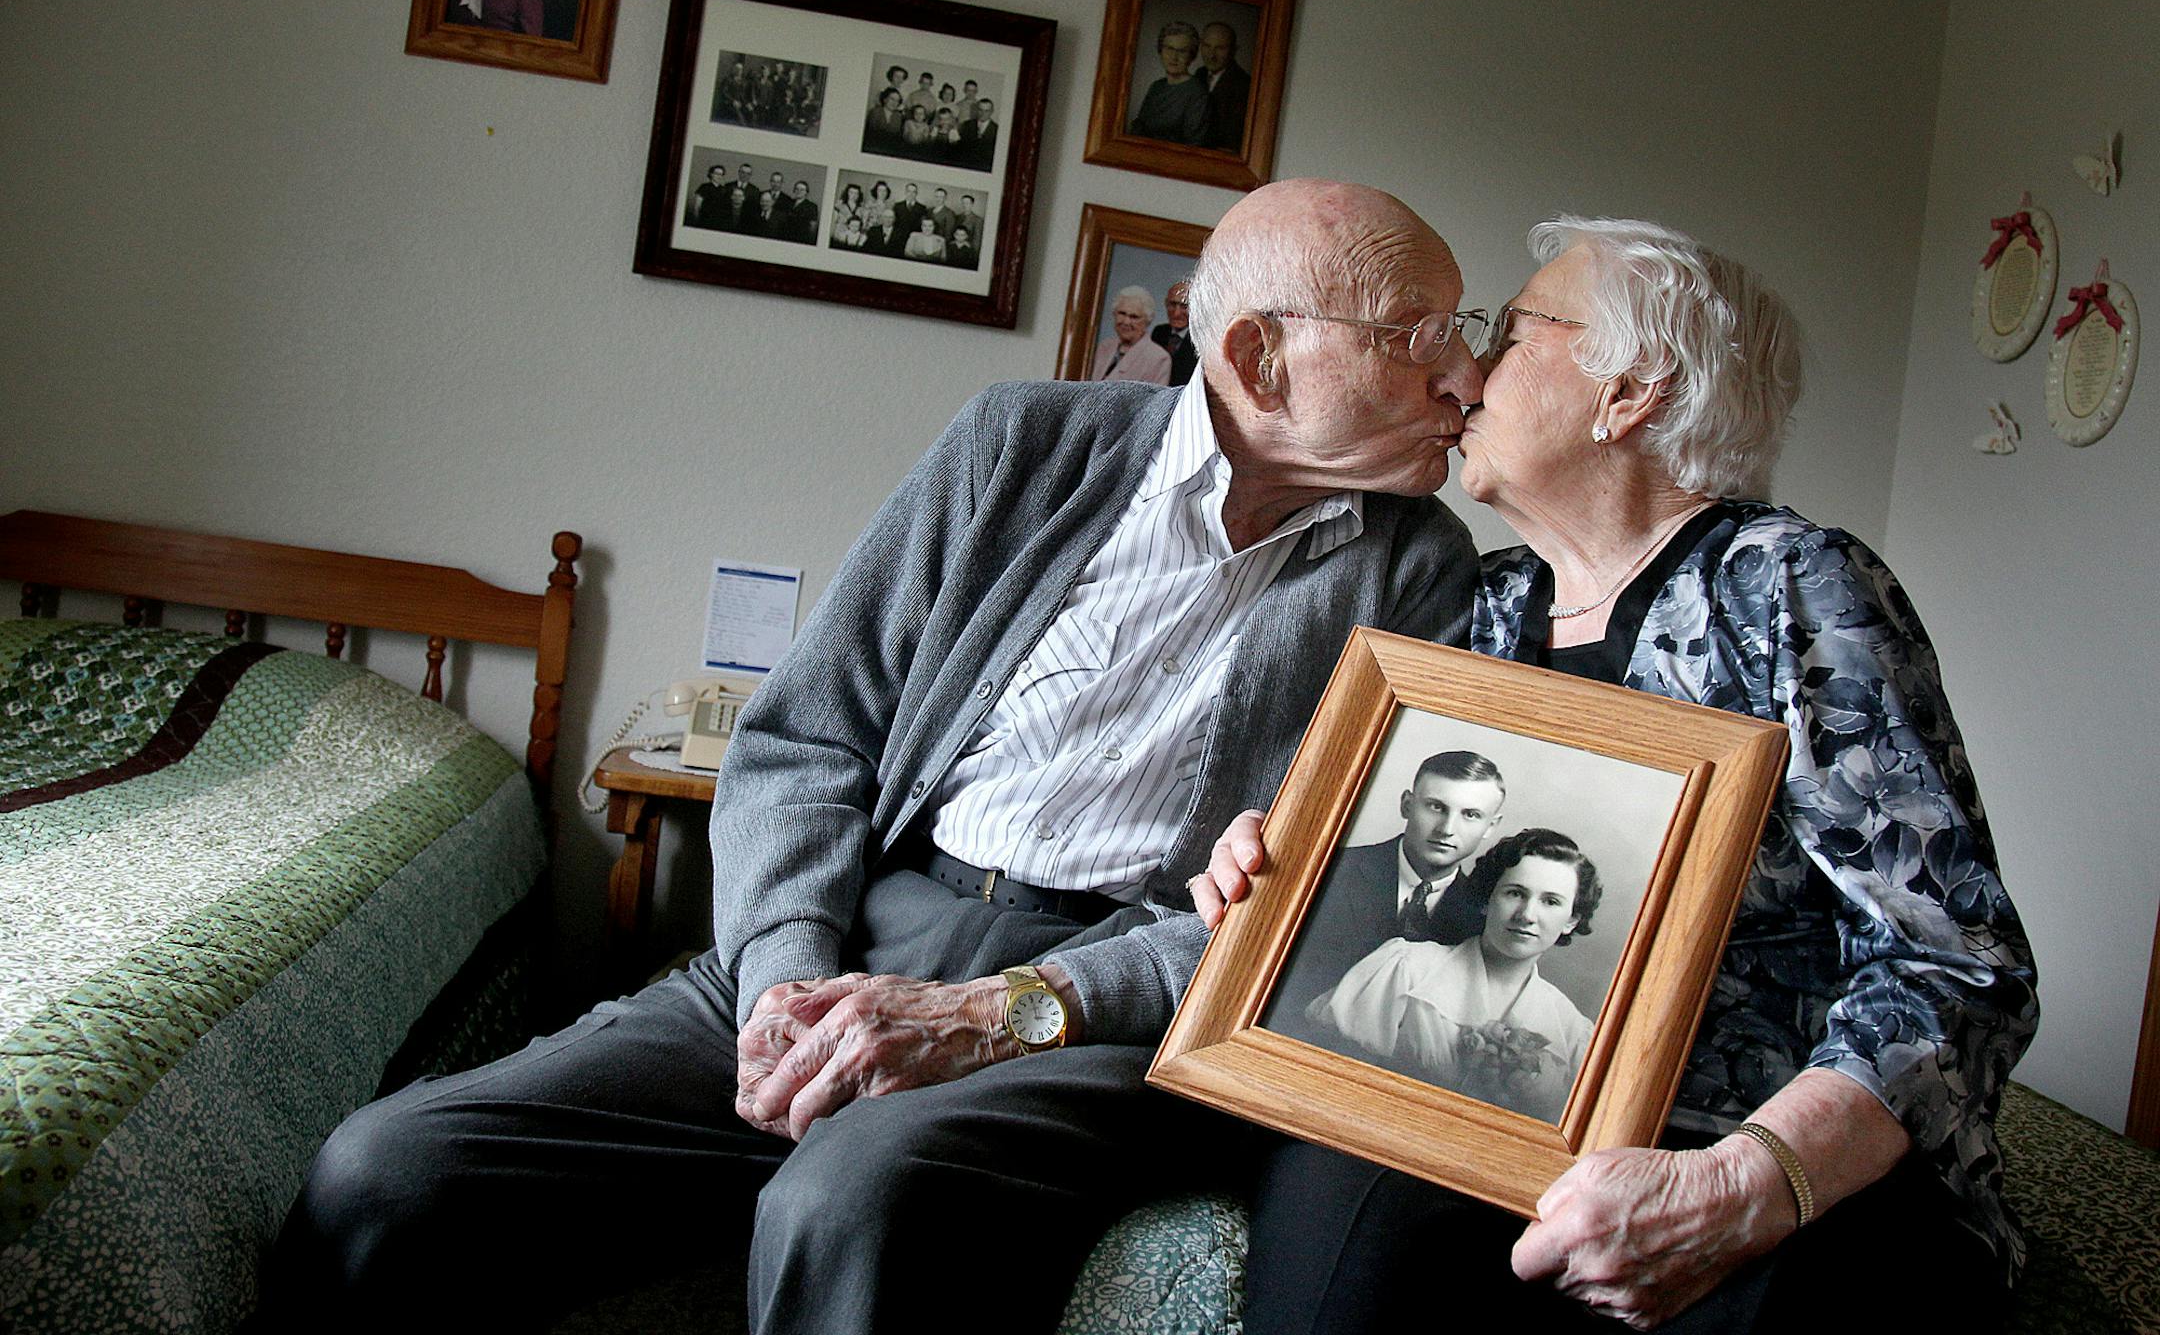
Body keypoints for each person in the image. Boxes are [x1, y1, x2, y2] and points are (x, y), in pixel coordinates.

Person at [269, 178, 1490, 1335]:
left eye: (1465, 331)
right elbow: (806, 739)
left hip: (1110, 1003)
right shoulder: (1026, 443)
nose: (1465, 373)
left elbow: (1315, 906)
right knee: (388, 1172)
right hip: (865, 927)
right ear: (1257, 357)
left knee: (853, 1190)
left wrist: (1001, 1012)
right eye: (1417, 333)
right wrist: (786, 982)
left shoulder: (1423, 573)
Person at [1194, 215, 2039, 1333]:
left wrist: (1746, 1182)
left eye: (1511, 329)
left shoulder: (1792, 587)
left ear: (1630, 390)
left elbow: (1958, 964)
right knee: (1340, 1237)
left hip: (1750, 1135)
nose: (1468, 369)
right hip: (1493, 1108)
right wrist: (1278, 873)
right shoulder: (1485, 604)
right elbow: (1421, 882)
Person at [1307, 829, 1601, 1122]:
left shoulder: (1574, 1034)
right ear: (1487, 899)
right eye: (1515, 893)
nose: (1527, 914)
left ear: (1571, 920)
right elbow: (1323, 1077)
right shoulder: (1406, 968)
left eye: (1550, 902)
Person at [1264, 749, 1507, 1038]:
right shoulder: (1329, 871)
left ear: (1491, 826)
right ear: (1406, 804)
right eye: (1435, 807)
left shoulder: (1483, 921)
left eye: (1470, 814)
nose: (1447, 829)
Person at [1129, 21, 1209, 145]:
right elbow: (1139, 128)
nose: (1174, 57)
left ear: (1192, 56)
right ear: (1160, 51)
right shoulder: (1156, 87)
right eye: (1169, 49)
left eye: (1182, 51)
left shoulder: (1198, 93)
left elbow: (1194, 144)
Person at [1090, 286, 1175, 383]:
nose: (1126, 322)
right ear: (1114, 314)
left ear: (1147, 321)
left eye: (1134, 317)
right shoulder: (1104, 347)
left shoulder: (1159, 359)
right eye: (1122, 313)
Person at [1198, 21, 1253, 151]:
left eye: (1220, 48)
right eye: (1207, 46)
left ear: (1234, 50)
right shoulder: (1198, 75)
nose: (1211, 55)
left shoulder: (1245, 86)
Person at [1152, 280, 1201, 387]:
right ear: (1166, 304)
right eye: (1172, 304)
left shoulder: (1200, 341)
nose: (1176, 313)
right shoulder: (1159, 332)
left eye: (1184, 306)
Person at [863, 86, 906, 152]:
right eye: (892, 99)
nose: (894, 103)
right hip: (874, 147)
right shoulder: (875, 112)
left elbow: (897, 136)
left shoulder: (898, 116)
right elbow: (871, 133)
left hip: (891, 149)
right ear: (885, 99)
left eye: (897, 101)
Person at [960, 97, 999, 169]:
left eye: (986, 111)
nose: (983, 114)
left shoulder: (997, 130)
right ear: (977, 110)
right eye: (980, 110)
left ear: (992, 111)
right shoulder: (967, 125)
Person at [688, 164, 730, 230]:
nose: (719, 176)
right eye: (716, 173)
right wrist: (696, 222)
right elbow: (697, 207)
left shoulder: (724, 189)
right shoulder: (704, 187)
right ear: (711, 174)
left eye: (721, 174)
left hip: (719, 223)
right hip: (705, 220)